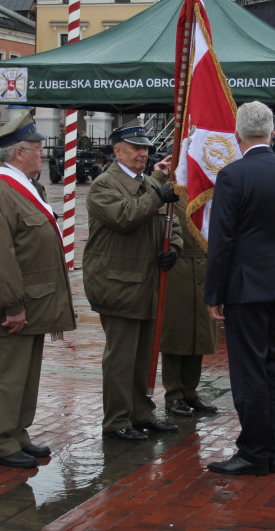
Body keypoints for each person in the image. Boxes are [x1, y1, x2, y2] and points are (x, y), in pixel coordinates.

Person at [204, 101, 275, 476]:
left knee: (249, 373)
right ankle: (272, 451)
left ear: (237, 134)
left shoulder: (233, 176)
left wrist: (213, 293)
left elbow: (222, 241)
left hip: (246, 289)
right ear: (272, 133)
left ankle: (254, 451)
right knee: (273, 372)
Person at [0, 114, 76, 468]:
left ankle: (17, 434)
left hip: (33, 301)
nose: (42, 155)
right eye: (36, 149)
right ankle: (1, 443)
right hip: (14, 305)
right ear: (18, 154)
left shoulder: (28, 187)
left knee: (25, 374)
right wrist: (12, 304)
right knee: (6, 374)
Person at [84, 120, 181, 441]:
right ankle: (116, 420)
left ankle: (142, 413)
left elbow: (172, 221)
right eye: (136, 148)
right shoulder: (104, 185)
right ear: (117, 151)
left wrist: (175, 249)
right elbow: (125, 216)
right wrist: (158, 192)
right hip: (117, 284)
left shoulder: (148, 183)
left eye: (146, 148)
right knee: (121, 358)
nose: (143, 153)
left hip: (146, 281)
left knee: (144, 355)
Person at [151, 180, 218, 418]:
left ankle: (190, 391)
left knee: (199, 337)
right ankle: (174, 395)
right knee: (176, 337)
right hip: (177, 270)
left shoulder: (209, 190)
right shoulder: (171, 193)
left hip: (205, 269)